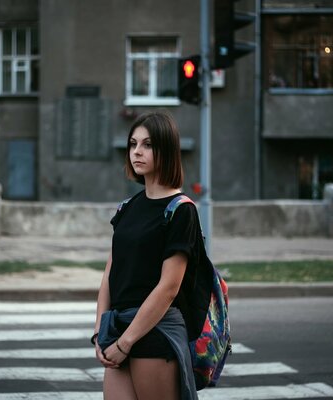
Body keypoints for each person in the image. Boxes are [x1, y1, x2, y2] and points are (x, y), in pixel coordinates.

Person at [92, 111, 200, 400]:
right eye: (133, 144)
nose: (137, 152)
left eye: (148, 144)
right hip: (118, 329)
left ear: (166, 149)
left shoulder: (181, 210)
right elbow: (109, 275)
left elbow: (168, 288)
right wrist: (99, 333)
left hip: (155, 331)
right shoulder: (127, 207)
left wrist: (126, 343)